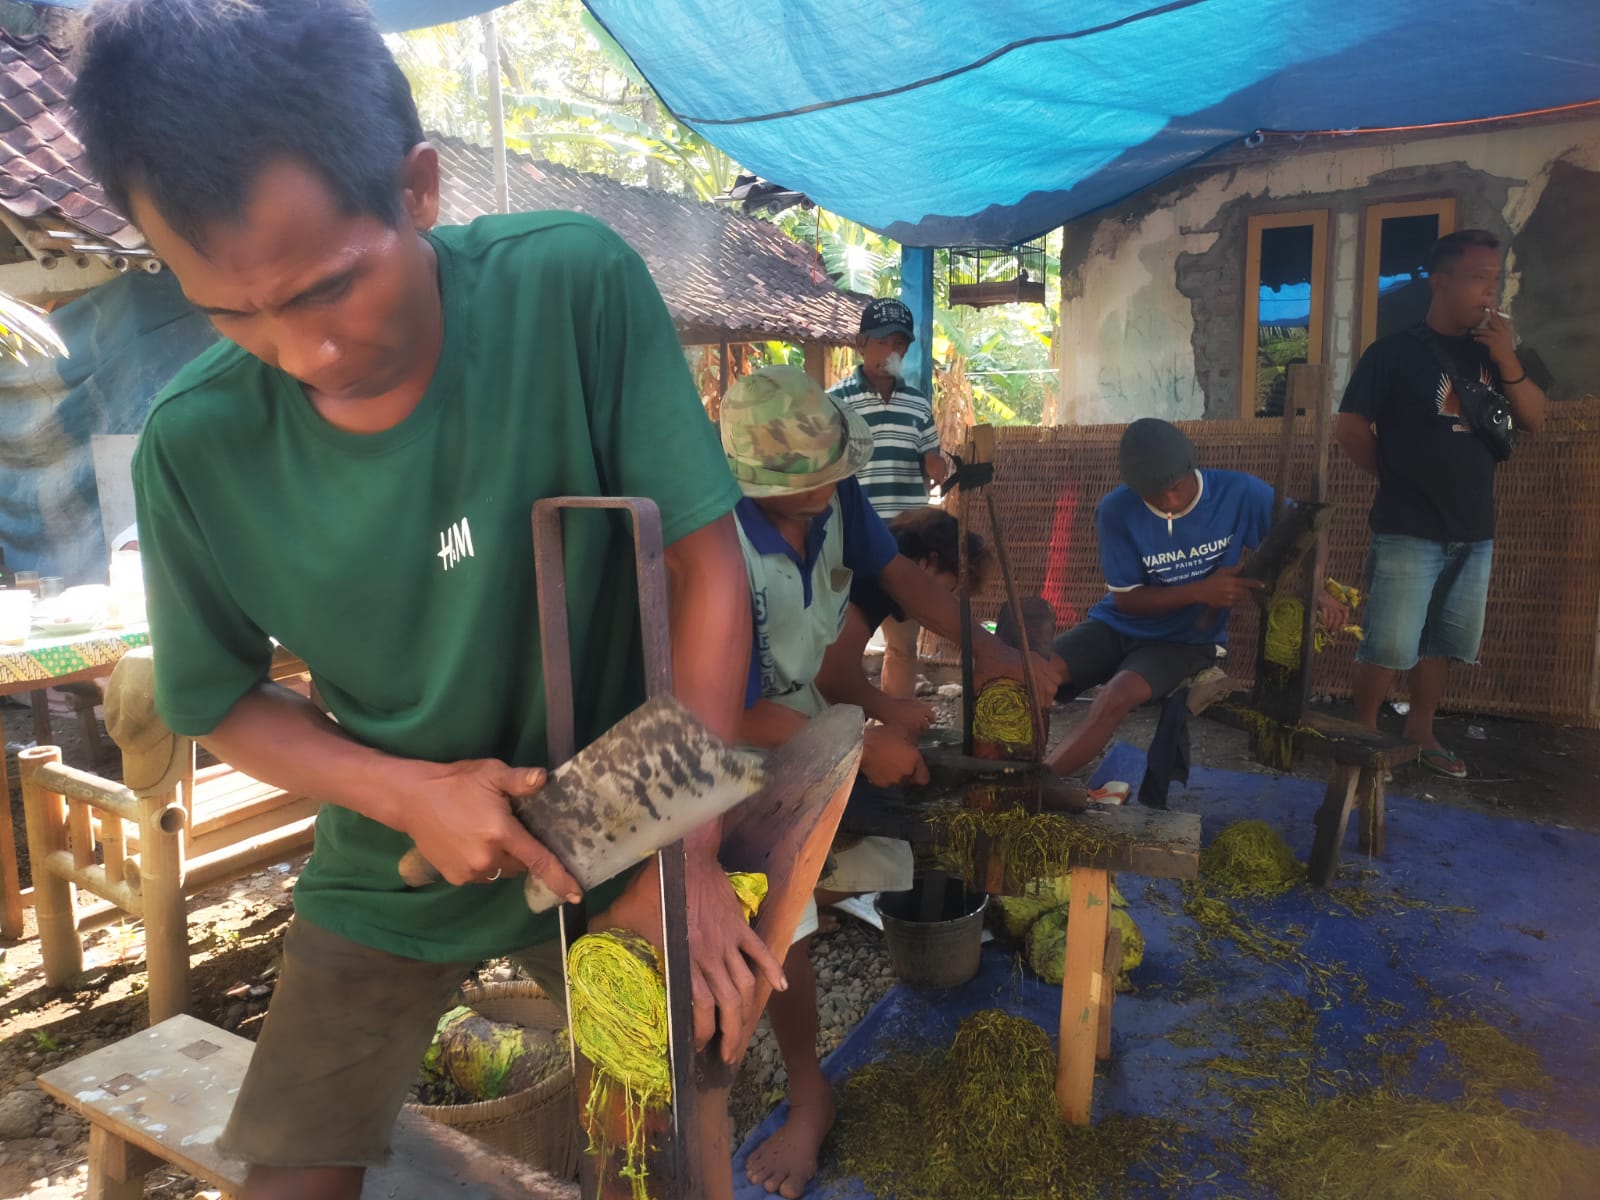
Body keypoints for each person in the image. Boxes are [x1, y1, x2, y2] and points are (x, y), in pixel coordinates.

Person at [70, 4, 779, 1198]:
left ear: (419, 189)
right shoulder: (196, 449)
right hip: (392, 843)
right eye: (228, 312)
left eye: (327, 289)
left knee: (683, 1113)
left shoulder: (571, 289)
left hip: (626, 792)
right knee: (292, 1169)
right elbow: (220, 701)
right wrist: (409, 792)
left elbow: (707, 570)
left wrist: (684, 850)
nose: (303, 354)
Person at [721, 366, 1060, 1198]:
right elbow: (722, 705)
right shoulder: (713, 540)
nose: (828, 494)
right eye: (806, 485)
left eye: (833, 476)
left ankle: (788, 945)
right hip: (730, 740)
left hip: (804, 716)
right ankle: (809, 1091)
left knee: (881, 839)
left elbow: (907, 582)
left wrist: (1002, 657)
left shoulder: (838, 503)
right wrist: (855, 741)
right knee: (782, 912)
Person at [1335, 229, 1548, 777]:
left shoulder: (1504, 354)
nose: (1489, 290)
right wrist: (1391, 473)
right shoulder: (1393, 353)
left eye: (1495, 278)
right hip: (1408, 524)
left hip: (1475, 528)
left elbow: (1535, 418)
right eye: (1478, 277)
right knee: (1388, 641)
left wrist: (1506, 357)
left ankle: (1420, 732)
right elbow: (1351, 425)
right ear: (1442, 280)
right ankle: (1362, 739)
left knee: (1441, 643)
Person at [1044, 418, 1345, 781]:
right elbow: (1127, 602)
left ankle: (1036, 786)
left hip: (1185, 642)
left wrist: (1318, 590)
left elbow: (1309, 532)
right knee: (1035, 672)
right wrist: (1200, 591)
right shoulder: (1116, 510)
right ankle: (1011, 772)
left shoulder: (1239, 493)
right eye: (1153, 494)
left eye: (1175, 488)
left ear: (1192, 467)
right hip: (1115, 625)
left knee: (1114, 696)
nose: (1168, 501)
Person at [828, 297, 948, 699]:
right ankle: (839, 738)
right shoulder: (835, 402)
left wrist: (936, 465)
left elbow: (934, 458)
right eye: (880, 343)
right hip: (849, 539)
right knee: (838, 642)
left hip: (905, 544)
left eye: (898, 344)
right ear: (861, 344)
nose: (889, 353)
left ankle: (897, 729)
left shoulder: (917, 405)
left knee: (901, 645)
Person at [815, 506, 992, 737]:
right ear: (929, 562)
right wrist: (888, 709)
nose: (942, 603)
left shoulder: (880, 565)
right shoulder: (873, 579)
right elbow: (832, 674)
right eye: (947, 590)